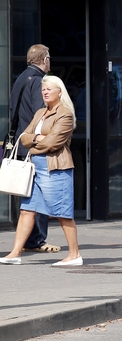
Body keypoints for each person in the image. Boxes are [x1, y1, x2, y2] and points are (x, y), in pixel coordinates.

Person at [0, 76, 81, 266]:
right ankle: (15, 253)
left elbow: (53, 144)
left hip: (55, 169)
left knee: (62, 213)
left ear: (59, 92)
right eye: (43, 89)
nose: (44, 92)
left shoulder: (65, 114)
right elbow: (24, 137)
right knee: (27, 210)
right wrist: (38, 138)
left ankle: (74, 254)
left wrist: (34, 140)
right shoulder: (40, 113)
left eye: (49, 89)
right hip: (35, 168)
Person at [7, 44, 58, 254]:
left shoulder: (22, 78)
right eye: (49, 58)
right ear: (44, 59)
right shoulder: (39, 82)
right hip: (34, 145)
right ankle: (36, 239)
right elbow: (41, 114)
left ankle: (29, 239)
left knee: (26, 193)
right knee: (39, 192)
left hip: (21, 142)